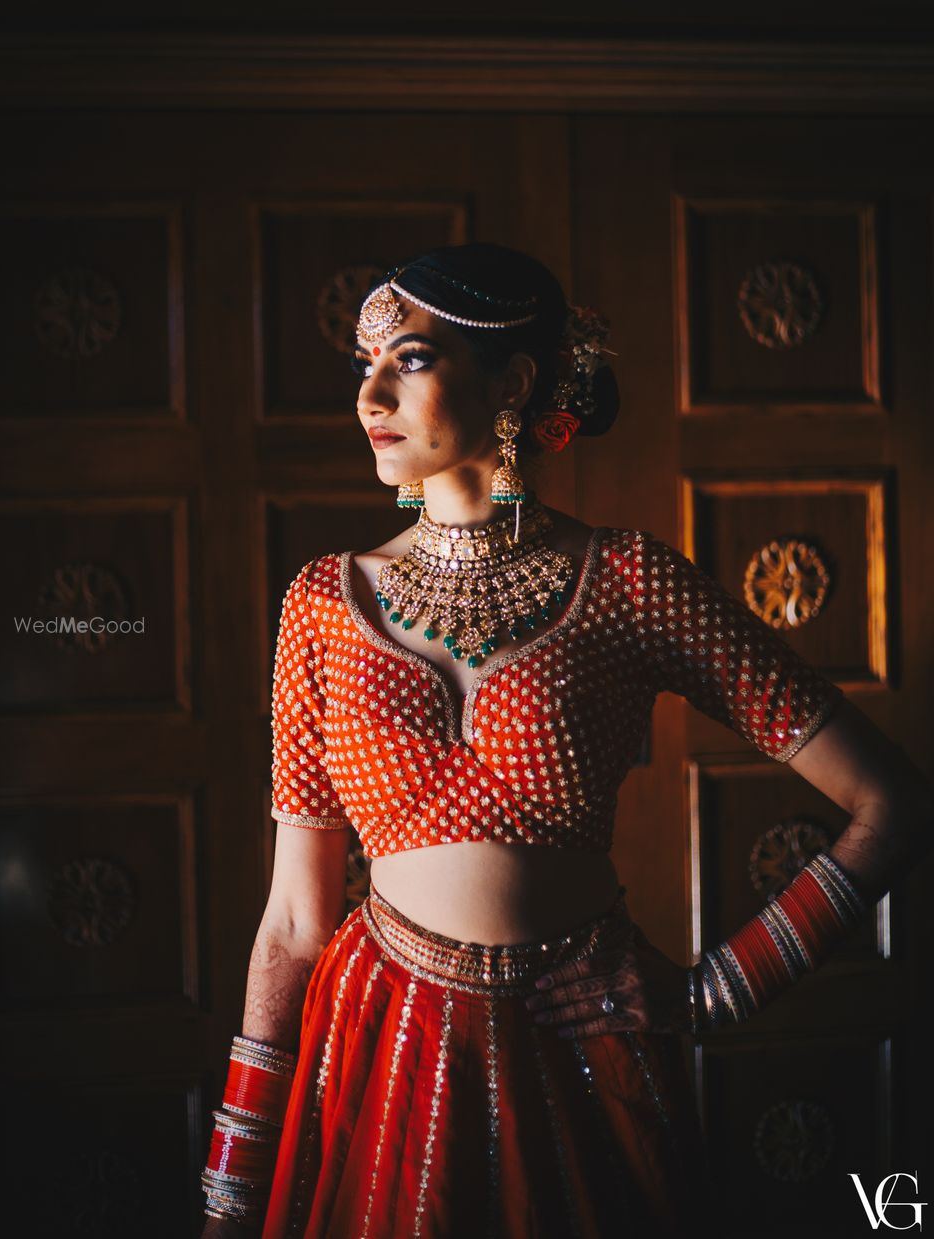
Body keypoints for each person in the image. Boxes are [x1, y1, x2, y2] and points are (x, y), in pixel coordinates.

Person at [200, 244, 933, 1239]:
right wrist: (231, 1190)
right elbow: (294, 921)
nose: (368, 391)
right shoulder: (324, 604)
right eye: (363, 367)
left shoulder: (629, 583)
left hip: (580, 1056)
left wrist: (708, 994)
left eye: (408, 360)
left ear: (510, 382)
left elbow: (889, 805)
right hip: (379, 1052)